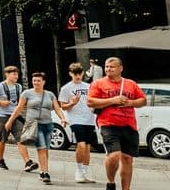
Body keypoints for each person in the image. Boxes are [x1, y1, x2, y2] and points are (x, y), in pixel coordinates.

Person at [87, 56, 144, 190]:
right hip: (108, 124)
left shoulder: (131, 84)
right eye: (106, 66)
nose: (108, 69)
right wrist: (113, 100)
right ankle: (110, 182)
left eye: (112, 67)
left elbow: (143, 100)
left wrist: (130, 103)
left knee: (127, 159)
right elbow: (90, 102)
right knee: (114, 155)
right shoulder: (98, 83)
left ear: (120, 68)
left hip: (129, 124)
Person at [10, 70, 61, 183]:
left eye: (38, 80)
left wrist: (62, 118)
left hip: (48, 125)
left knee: (45, 149)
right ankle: (45, 172)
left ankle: (43, 171)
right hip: (35, 125)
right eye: (34, 80)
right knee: (41, 148)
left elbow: (57, 108)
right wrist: (10, 121)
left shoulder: (50, 94)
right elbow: (19, 108)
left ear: (44, 82)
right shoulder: (27, 93)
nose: (36, 82)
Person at [58, 63, 99, 183]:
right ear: (70, 74)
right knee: (80, 145)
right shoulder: (66, 88)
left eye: (79, 73)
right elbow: (63, 107)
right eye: (75, 73)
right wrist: (72, 103)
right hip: (76, 120)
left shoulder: (89, 86)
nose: (78, 76)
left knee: (87, 147)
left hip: (90, 119)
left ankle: (84, 173)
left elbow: (93, 101)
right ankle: (78, 171)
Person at [0, 65, 33, 172]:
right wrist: (0, 102)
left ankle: (28, 162)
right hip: (2, 116)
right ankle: (0, 160)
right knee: (2, 140)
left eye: (17, 74)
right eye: (14, 74)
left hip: (15, 116)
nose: (16, 76)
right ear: (7, 74)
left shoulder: (19, 87)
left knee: (21, 139)